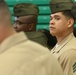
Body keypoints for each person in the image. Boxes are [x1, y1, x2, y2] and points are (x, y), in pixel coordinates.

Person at [0, 0, 64, 75]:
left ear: (30, 26)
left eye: (19, 23)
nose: (15, 26)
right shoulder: (47, 53)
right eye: (15, 22)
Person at [49, 0, 76, 75]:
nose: (51, 22)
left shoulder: (70, 52)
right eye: (51, 18)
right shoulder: (59, 46)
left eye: (57, 18)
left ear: (70, 23)